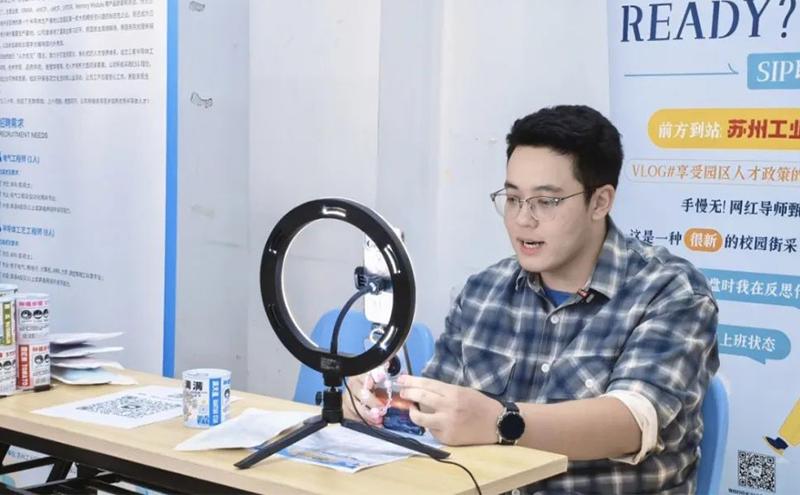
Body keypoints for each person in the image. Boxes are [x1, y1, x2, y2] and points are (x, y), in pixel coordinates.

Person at [344, 105, 719, 494]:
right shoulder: (483, 292)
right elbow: (436, 414)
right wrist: (377, 402)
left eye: (546, 201)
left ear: (600, 202)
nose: (523, 219)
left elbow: (631, 422)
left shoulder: (670, 291)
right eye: (512, 198)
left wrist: (501, 420)